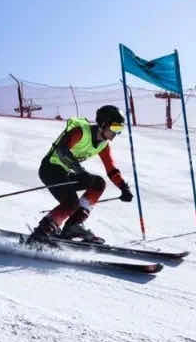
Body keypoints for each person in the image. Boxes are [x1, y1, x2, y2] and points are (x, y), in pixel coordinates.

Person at [28, 105, 134, 244]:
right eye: (115, 128)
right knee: (71, 203)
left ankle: (73, 226)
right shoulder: (80, 132)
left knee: (98, 183)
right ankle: (41, 233)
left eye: (120, 129)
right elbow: (62, 151)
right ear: (103, 124)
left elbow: (111, 169)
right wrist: (80, 171)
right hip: (50, 169)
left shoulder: (103, 145)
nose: (116, 133)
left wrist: (123, 187)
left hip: (66, 172)